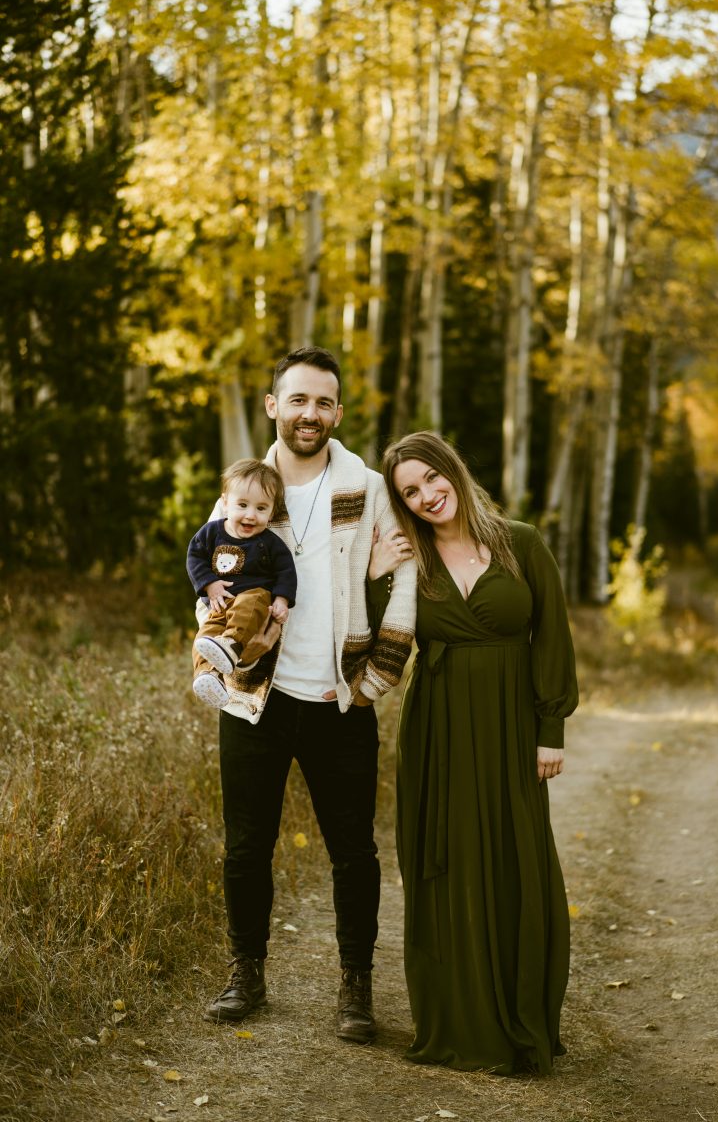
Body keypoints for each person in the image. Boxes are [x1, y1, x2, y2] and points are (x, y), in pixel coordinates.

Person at [202, 347, 416, 1045]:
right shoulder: (248, 487)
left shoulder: (371, 486)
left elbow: (406, 574)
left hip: (338, 701)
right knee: (245, 847)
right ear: (273, 406)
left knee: (354, 852)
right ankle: (247, 974)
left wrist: (379, 675)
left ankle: (356, 988)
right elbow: (211, 567)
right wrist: (215, 641)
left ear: (339, 414)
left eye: (323, 402)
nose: (309, 414)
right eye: (297, 400)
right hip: (256, 697)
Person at [380, 430, 578, 1075]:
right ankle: (461, 1023)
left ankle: (522, 1022)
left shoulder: (520, 542)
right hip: (436, 725)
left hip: (512, 725)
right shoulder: (409, 561)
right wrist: (377, 574)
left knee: (518, 859)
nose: (427, 496)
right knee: (446, 860)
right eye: (410, 491)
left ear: (453, 472)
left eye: (432, 479)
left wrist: (552, 728)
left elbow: (551, 633)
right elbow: (373, 640)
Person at [187, 459, 297, 710]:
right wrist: (209, 584)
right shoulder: (211, 533)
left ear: (272, 512)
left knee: (255, 598)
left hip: (253, 601)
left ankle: (232, 644)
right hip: (220, 604)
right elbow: (195, 557)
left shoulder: (270, 543)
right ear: (225, 503)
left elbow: (286, 572)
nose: (250, 515)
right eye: (243, 505)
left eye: (261, 508)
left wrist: (281, 600)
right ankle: (208, 676)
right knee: (204, 637)